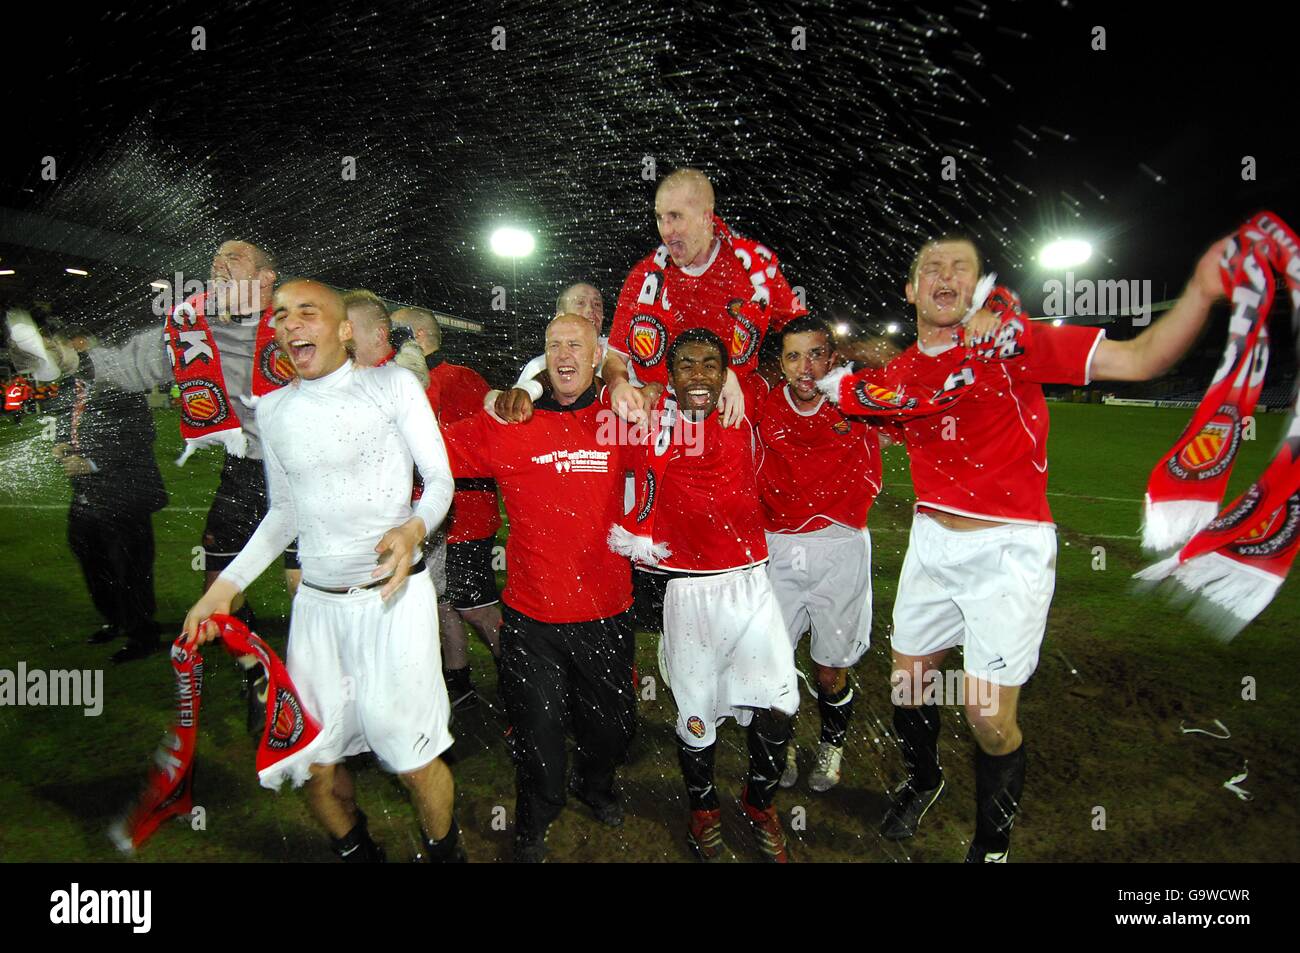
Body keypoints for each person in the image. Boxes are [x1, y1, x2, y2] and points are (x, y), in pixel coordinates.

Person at [870, 232, 1230, 862]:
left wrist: (1201, 288)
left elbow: (1141, 359)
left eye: (962, 267)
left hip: (1008, 552)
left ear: (981, 286)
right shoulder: (902, 374)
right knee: (908, 687)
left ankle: (991, 845)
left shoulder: (1016, 344)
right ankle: (924, 781)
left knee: (986, 718)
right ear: (911, 289)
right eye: (931, 267)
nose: (945, 276)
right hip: (932, 540)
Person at [183, 279, 463, 863]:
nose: (290, 324)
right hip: (316, 611)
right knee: (314, 763)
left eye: (307, 312)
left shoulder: (393, 386)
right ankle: (359, 852)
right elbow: (284, 512)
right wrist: (226, 588)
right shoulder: (276, 408)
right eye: (282, 315)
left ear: (342, 329)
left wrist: (414, 529)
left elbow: (440, 483)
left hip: (392, 605)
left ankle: (445, 853)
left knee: (413, 761)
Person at [68, 240, 299, 728]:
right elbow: (126, 365)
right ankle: (260, 679)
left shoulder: (295, 316)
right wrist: (65, 361)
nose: (218, 265)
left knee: (308, 585)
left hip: (309, 471)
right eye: (214, 260)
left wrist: (402, 342)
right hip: (246, 469)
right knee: (218, 588)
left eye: (233, 259)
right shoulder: (191, 326)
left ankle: (323, 687)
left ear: (264, 277)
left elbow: (359, 340)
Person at [441, 313, 637, 862]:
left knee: (612, 731)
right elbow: (429, 448)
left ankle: (595, 786)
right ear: (543, 356)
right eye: (555, 345)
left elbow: (682, 451)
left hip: (606, 612)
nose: (564, 355)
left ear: (598, 355)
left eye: (576, 345)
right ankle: (534, 816)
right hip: (533, 619)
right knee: (537, 733)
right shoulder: (510, 420)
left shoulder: (620, 420)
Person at [615, 327, 798, 863]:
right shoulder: (650, 421)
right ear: (668, 375)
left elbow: (798, 368)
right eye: (687, 365)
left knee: (781, 705)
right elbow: (582, 389)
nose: (699, 374)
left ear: (725, 372)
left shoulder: (746, 409)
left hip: (749, 582)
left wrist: (742, 376)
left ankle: (758, 803)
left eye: (711, 364)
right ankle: (703, 813)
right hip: (688, 592)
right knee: (696, 716)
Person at [755, 315, 892, 791]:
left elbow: (901, 371)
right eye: (794, 356)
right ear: (782, 364)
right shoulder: (763, 403)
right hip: (779, 544)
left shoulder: (856, 399)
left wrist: (864, 355)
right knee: (774, 663)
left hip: (840, 545)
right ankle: (785, 741)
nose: (804, 367)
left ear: (831, 358)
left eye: (815, 354)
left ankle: (832, 744)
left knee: (830, 670)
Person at [602, 168, 807, 427]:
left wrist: (750, 383)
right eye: (659, 218)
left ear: (706, 217)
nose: (666, 230)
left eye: (675, 217)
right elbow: (615, 358)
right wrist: (618, 384)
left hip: (729, 421)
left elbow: (804, 341)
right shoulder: (644, 275)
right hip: (660, 425)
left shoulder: (755, 269)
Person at [393, 305, 503, 709]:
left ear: (417, 337)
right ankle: (457, 681)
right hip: (431, 515)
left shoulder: (457, 378)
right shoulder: (414, 379)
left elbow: (468, 446)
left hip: (464, 515)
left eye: (395, 333)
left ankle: (518, 672)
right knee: (442, 603)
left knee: (477, 606)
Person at [54, 366, 168, 663]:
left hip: (124, 495)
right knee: (92, 559)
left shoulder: (120, 382)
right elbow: (67, 424)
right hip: (86, 494)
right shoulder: (72, 386)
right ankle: (116, 620)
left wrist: (91, 462)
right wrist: (61, 444)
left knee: (130, 568)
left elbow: (141, 434)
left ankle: (143, 634)